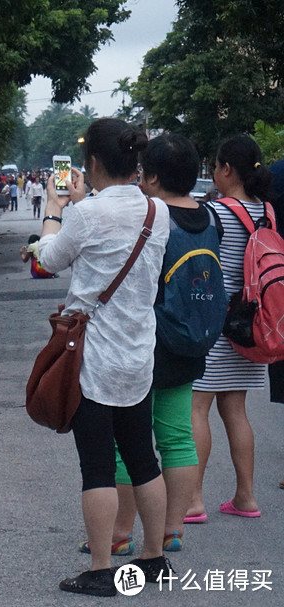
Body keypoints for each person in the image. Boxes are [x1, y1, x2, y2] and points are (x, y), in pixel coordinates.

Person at [36, 118, 171, 596]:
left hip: (92, 360)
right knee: (143, 460)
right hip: (138, 355)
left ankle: (99, 569)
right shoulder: (158, 212)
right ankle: (153, 558)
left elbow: (47, 260)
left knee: (96, 465)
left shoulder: (85, 214)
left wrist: (54, 209)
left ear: (91, 163)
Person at [80, 133, 213, 558]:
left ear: (150, 175)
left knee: (127, 444)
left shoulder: (153, 216)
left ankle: (120, 532)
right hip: (191, 341)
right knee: (176, 437)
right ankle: (172, 529)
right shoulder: (211, 219)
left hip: (145, 342)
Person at [189, 135, 275, 522]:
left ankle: (192, 501)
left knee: (196, 407)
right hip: (250, 323)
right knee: (236, 410)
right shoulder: (266, 211)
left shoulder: (216, 212)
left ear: (225, 170)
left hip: (216, 323)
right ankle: (246, 497)